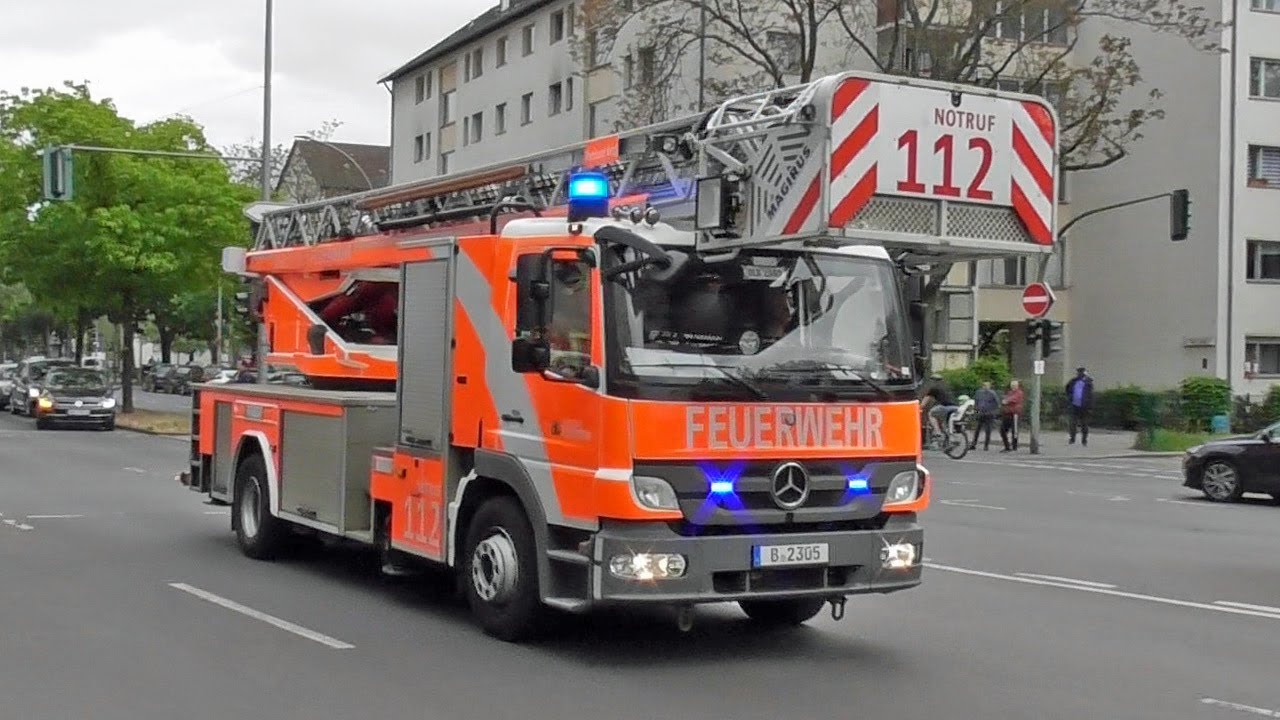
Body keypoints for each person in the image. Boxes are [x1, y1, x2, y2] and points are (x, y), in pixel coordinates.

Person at [1065, 366, 1095, 446]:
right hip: (1074, 405)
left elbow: (1091, 395)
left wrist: (1090, 407)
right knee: (1072, 423)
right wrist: (1070, 397)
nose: (1080, 374)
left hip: (1084, 406)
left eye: (1082, 373)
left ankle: (1084, 440)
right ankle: (1072, 438)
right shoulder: (1073, 381)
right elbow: (1067, 389)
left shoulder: (1088, 383)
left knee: (1084, 424)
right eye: (1079, 373)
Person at [971, 380, 1000, 451]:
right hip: (981, 413)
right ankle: (973, 444)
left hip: (989, 413)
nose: (985, 387)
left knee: (988, 430)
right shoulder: (979, 393)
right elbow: (976, 402)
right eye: (984, 386)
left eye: (987, 386)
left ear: (989, 387)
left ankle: (986, 445)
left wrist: (993, 411)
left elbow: (997, 403)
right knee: (977, 429)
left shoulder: (992, 393)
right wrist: (976, 411)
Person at [1000, 379, 1024, 452]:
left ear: (1017, 386)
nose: (1013, 387)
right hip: (1007, 413)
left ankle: (1014, 447)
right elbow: (1004, 400)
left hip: (1015, 414)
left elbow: (1011, 399)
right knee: (1002, 430)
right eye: (1012, 385)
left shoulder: (1019, 392)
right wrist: (1005, 401)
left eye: (1014, 385)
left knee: (1015, 431)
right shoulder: (1009, 392)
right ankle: (1007, 446)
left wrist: (1006, 401)